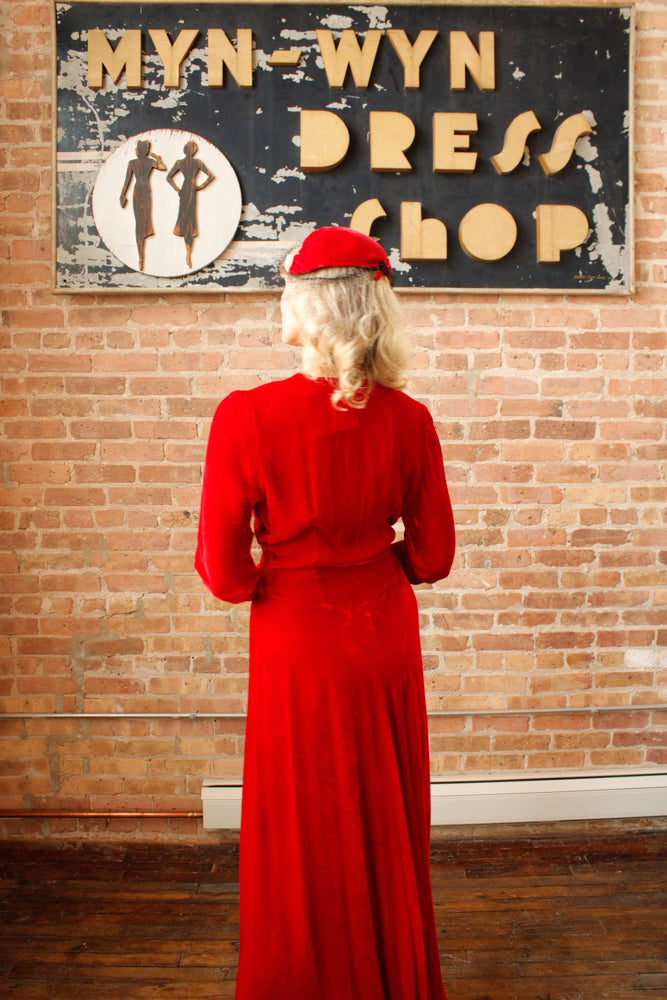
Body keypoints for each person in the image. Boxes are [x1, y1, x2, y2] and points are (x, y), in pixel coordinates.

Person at [195, 227, 456, 1000]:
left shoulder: (246, 416)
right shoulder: (410, 420)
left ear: (304, 304)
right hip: (381, 630)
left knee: (301, 820)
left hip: (295, 637)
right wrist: (374, 568)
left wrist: (271, 582)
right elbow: (434, 556)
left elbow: (224, 571)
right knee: (382, 814)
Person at [119, 139, 166, 271]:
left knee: (141, 222)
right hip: (144, 191)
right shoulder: (145, 162)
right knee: (141, 222)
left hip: (138, 191)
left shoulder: (133, 163)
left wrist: (123, 194)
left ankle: (141, 254)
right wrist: (158, 158)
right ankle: (140, 255)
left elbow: (127, 181)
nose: (135, 151)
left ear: (140, 150)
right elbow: (162, 166)